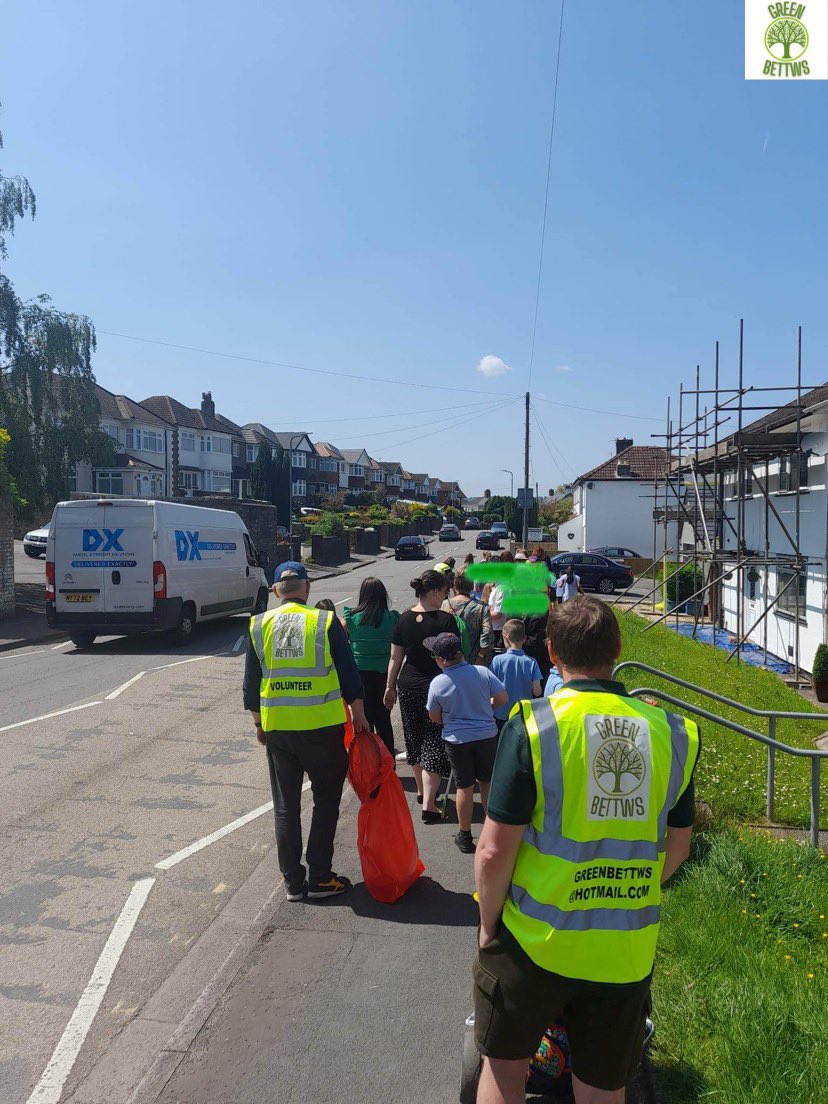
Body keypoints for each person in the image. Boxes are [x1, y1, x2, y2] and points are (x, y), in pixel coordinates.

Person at [472, 596, 700, 1104]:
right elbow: (679, 847)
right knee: (602, 1087)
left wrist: (490, 924)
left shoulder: (533, 725)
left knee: (505, 1070)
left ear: (551, 654)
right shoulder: (673, 732)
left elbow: (492, 852)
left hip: (533, 943)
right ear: (617, 649)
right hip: (623, 951)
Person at [244, 562, 369, 902]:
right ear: (308, 588)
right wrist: (359, 716)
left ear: (275, 592)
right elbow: (348, 674)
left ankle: (293, 883)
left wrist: (258, 725)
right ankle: (319, 877)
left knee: (286, 806)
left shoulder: (258, 624)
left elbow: (251, 686)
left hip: (279, 730)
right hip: (323, 728)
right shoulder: (324, 621)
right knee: (326, 802)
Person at [385, 570, 462, 822]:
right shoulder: (445, 621)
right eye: (444, 592)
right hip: (437, 687)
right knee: (434, 741)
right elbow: (454, 658)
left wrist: (390, 686)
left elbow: (395, 658)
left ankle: (421, 791)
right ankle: (429, 803)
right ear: (434, 592)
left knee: (414, 739)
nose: (445, 597)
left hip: (408, 686)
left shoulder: (404, 619)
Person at [425, 633, 508, 853]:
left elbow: (434, 715)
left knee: (464, 786)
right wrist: (487, 707)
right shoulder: (482, 672)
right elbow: (502, 698)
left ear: (441, 659)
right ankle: (492, 830)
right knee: (487, 781)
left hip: (457, 739)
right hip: (486, 734)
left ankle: (465, 834)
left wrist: (450, 720)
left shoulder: (438, 682)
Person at [343, 577, 400, 758]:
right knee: (384, 722)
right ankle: (388, 765)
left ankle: (367, 763)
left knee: (362, 721)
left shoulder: (351, 619)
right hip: (383, 676)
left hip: (358, 677)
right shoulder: (392, 619)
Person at [490, 620, 542, 733]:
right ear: (524, 638)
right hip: (523, 714)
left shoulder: (497, 660)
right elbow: (537, 691)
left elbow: (491, 688)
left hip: (501, 713)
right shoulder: (532, 662)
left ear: (505, 637)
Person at [444, 572, 493, 666]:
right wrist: (481, 656)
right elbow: (487, 633)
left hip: (449, 658)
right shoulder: (482, 607)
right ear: (471, 587)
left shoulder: (444, 605)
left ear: (454, 587)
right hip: (474, 659)